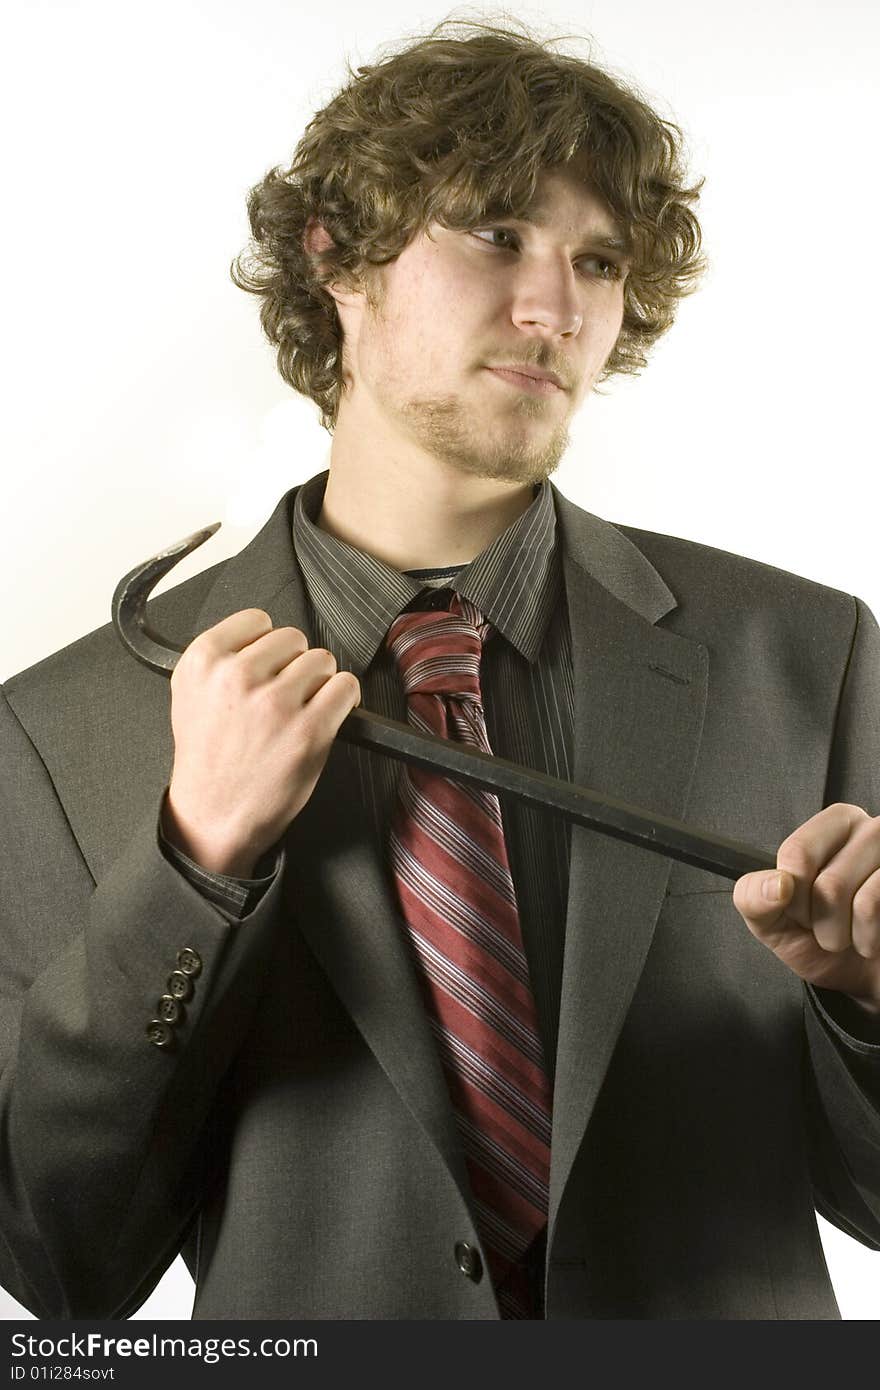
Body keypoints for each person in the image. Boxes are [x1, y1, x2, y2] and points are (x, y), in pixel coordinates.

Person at [1, 17, 879, 1321]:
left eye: (599, 259)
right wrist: (191, 863)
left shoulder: (805, 652)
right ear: (335, 256)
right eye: (496, 233)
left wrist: (865, 1002)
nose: (556, 306)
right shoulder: (60, 727)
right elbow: (62, 1267)